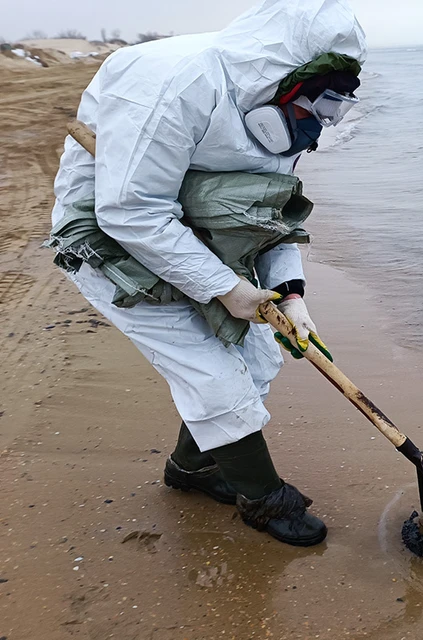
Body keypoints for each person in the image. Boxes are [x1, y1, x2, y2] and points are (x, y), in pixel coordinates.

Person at [49, 0, 367, 547]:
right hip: (111, 238)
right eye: (320, 102)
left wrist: (290, 294)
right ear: (287, 78)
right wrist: (226, 288)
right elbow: (130, 211)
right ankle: (264, 499)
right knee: (211, 373)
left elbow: (267, 212)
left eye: (333, 106)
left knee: (261, 358)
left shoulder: (291, 117)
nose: (320, 122)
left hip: (205, 231)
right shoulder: (175, 83)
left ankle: (192, 467)